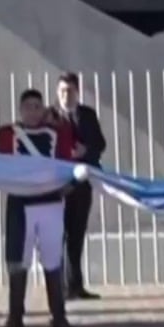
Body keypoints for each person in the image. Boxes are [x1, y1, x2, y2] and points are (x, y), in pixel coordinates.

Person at [0, 88, 78, 327]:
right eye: (28, 106)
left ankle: (59, 315)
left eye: (37, 106)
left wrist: (69, 185)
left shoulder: (58, 134)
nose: (33, 111)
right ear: (20, 109)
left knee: (53, 260)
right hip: (20, 205)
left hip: (51, 203)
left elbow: (67, 163)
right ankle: (15, 316)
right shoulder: (7, 133)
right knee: (18, 262)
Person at [53, 73, 108, 300]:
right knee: (60, 235)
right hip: (60, 182)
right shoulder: (51, 116)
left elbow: (100, 143)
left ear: (77, 92)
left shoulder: (87, 114)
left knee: (77, 233)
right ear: (57, 93)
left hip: (84, 182)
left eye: (71, 91)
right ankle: (64, 287)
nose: (67, 95)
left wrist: (87, 150)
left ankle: (76, 285)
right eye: (63, 91)